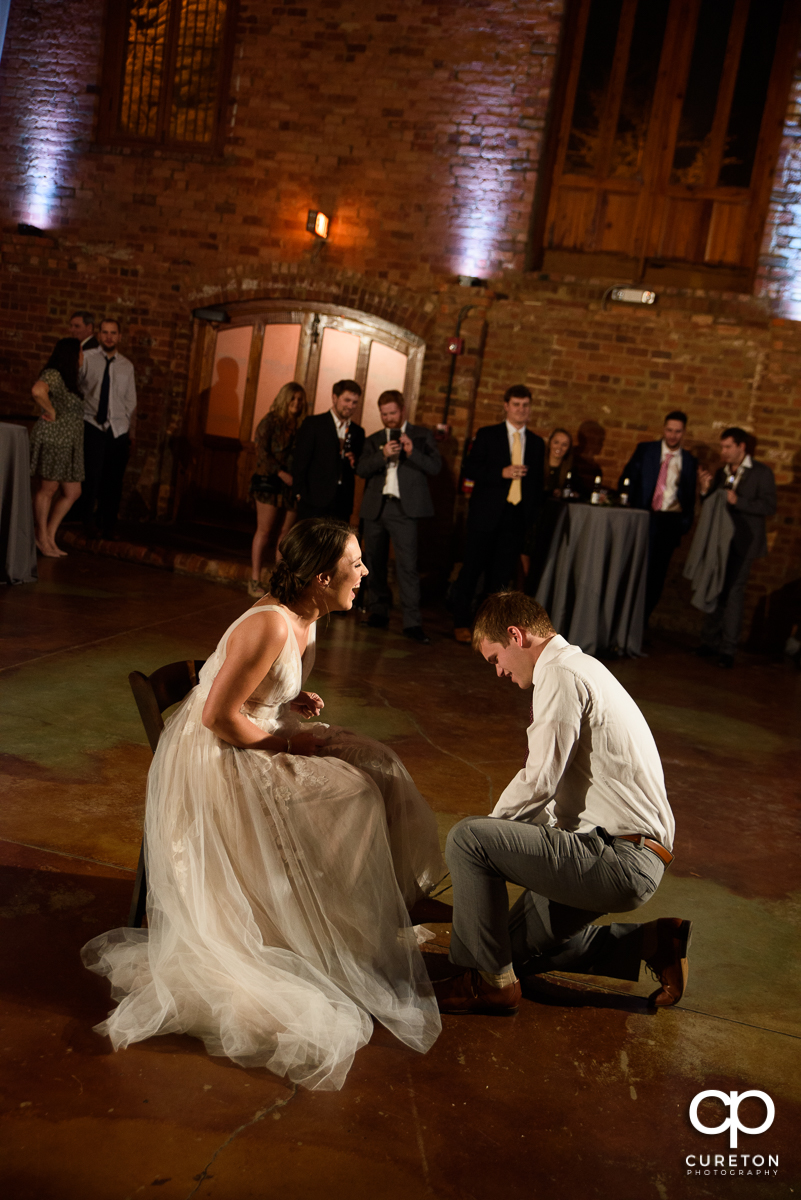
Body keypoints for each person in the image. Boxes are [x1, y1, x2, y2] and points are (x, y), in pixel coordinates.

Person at [82, 519, 444, 1091]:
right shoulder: (272, 625)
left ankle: (370, 914)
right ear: (322, 577)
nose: (366, 573)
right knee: (352, 797)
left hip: (263, 727)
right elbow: (216, 717)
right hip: (218, 755)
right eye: (356, 565)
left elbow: (255, 689)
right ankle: (319, 926)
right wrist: (285, 739)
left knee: (381, 765)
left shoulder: (309, 617)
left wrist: (289, 697)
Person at [433, 591, 691, 1016]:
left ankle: (488, 987)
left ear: (516, 636)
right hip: (622, 852)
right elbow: (555, 798)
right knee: (503, 952)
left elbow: (539, 781)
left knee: (468, 839)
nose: (498, 672)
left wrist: (486, 838)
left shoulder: (561, 674)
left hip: (618, 857)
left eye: (496, 658)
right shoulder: (582, 668)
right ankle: (649, 943)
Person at [450, 385, 545, 642]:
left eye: (525, 405)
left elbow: (537, 485)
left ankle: (488, 628)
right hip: (485, 515)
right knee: (471, 570)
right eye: (516, 405)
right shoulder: (488, 435)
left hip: (514, 518)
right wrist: (500, 473)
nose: (521, 410)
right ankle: (460, 622)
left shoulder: (536, 443)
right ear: (506, 406)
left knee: (500, 578)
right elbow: (470, 469)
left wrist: (529, 519)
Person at [356, 390, 441, 644]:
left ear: (402, 410)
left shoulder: (421, 435)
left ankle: (412, 623)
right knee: (373, 563)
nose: (389, 418)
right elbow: (360, 469)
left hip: (405, 511)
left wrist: (412, 452)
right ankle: (378, 612)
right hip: (376, 508)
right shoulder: (374, 440)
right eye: (384, 414)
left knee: (407, 567)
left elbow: (435, 467)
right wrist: (382, 456)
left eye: (392, 413)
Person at [695, 427, 777, 668]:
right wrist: (704, 490)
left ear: (742, 447)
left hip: (744, 542)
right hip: (720, 541)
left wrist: (738, 501)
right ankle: (708, 642)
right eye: (722, 447)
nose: (724, 452)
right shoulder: (722, 472)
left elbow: (769, 506)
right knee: (715, 587)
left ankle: (728, 649)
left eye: (728, 447)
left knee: (734, 592)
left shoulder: (761, 473)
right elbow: (711, 505)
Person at [618, 411, 698, 623]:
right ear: (664, 429)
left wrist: (684, 524)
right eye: (669, 430)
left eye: (678, 431)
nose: (672, 435)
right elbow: (627, 480)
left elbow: (690, 497)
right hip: (643, 517)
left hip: (669, 523)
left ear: (684, 433)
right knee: (633, 570)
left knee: (656, 576)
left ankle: (640, 625)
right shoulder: (646, 451)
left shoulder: (689, 461)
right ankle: (622, 622)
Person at [248, 383, 308, 599]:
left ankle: (279, 582)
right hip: (270, 482)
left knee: (286, 536)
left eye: (300, 400)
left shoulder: (302, 425)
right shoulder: (271, 421)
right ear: (284, 399)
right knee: (264, 531)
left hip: (292, 486)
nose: (296, 404)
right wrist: (281, 473)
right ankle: (254, 579)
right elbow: (261, 452)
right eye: (292, 399)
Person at [79, 318, 137, 539]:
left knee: (113, 480)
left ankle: (108, 524)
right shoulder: (88, 360)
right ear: (99, 335)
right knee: (91, 476)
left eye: (113, 333)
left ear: (120, 336)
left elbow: (131, 402)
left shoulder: (126, 366)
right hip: (92, 423)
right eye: (105, 332)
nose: (109, 337)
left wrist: (131, 434)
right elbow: (79, 389)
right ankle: (86, 521)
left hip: (118, 427)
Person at [29, 338, 85, 557]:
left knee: (73, 491)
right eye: (80, 352)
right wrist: (51, 411)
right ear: (72, 354)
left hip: (68, 442)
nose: (83, 356)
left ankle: (49, 535)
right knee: (48, 489)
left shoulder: (70, 378)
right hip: (54, 439)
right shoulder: (54, 373)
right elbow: (37, 391)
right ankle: (41, 537)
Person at [293, 380, 365, 522]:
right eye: (347, 400)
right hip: (312, 500)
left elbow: (357, 467)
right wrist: (298, 493)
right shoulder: (314, 424)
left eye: (355, 402)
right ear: (334, 397)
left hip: (342, 501)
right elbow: (300, 460)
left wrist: (354, 462)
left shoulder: (358, 432)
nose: (351, 406)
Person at [521, 427, 577, 585]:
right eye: (556, 442)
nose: (559, 447)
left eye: (564, 444)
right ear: (550, 443)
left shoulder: (570, 471)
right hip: (533, 519)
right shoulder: (537, 464)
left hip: (552, 521)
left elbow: (577, 493)